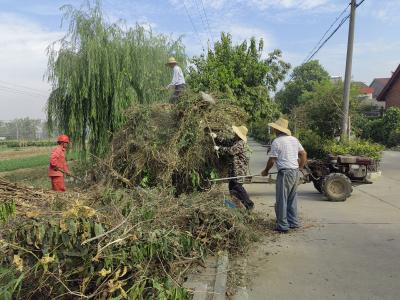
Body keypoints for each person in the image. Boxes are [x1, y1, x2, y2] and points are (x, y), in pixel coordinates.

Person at [261, 118, 307, 233]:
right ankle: (293, 222)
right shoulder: (294, 140)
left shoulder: (277, 141)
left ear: (277, 129)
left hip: (285, 173)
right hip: (295, 172)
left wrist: (266, 171)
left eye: (274, 128)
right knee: (292, 198)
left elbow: (272, 160)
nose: (273, 130)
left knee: (282, 199)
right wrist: (300, 167)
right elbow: (303, 154)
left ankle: (282, 225)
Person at [212, 125, 255, 210]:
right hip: (233, 169)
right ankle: (234, 207)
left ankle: (249, 205)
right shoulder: (235, 140)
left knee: (238, 187)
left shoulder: (240, 143)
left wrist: (219, 148)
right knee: (232, 188)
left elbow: (231, 151)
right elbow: (227, 142)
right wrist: (216, 137)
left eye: (236, 133)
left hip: (238, 170)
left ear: (239, 135)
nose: (235, 133)